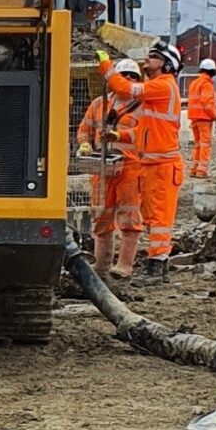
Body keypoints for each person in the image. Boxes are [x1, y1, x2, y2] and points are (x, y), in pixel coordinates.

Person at [125, 44, 186, 279]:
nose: (147, 60)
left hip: (163, 165)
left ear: (165, 63)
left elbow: (125, 88)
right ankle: (156, 262)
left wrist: (107, 68)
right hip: (152, 164)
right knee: (152, 216)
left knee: (160, 218)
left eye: (153, 57)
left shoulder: (162, 86)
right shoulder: (157, 88)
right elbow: (141, 131)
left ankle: (157, 267)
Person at [79, 59, 142, 275]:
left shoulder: (142, 106)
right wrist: (85, 143)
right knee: (101, 216)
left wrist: (118, 135)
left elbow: (145, 135)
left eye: (131, 77)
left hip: (130, 167)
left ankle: (124, 265)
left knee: (129, 217)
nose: (127, 80)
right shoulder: (99, 104)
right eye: (124, 76)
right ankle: (101, 264)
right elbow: (84, 129)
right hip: (102, 166)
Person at [186, 57, 216, 178]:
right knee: (205, 145)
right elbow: (206, 102)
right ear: (212, 71)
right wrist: (214, 115)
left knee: (197, 144)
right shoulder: (207, 84)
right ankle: (202, 171)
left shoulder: (194, 83)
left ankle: (194, 169)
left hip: (194, 118)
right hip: (204, 119)